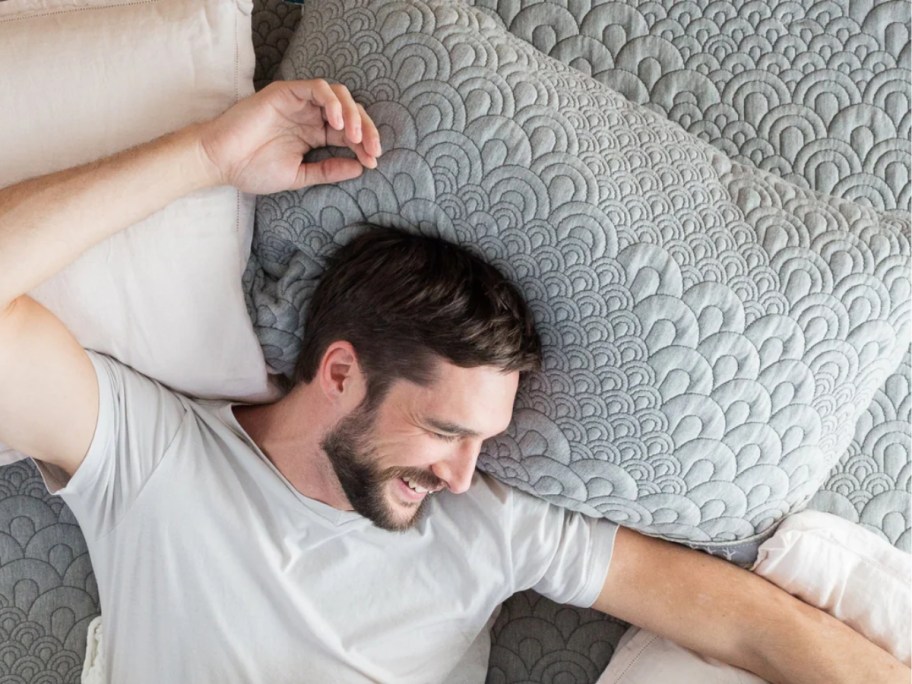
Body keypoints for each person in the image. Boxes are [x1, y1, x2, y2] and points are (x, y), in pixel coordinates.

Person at [0, 79, 906, 684]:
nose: (465, 478)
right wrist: (204, 158)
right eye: (443, 432)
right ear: (342, 371)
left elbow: (755, 628)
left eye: (480, 441)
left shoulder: (489, 523)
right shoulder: (156, 458)